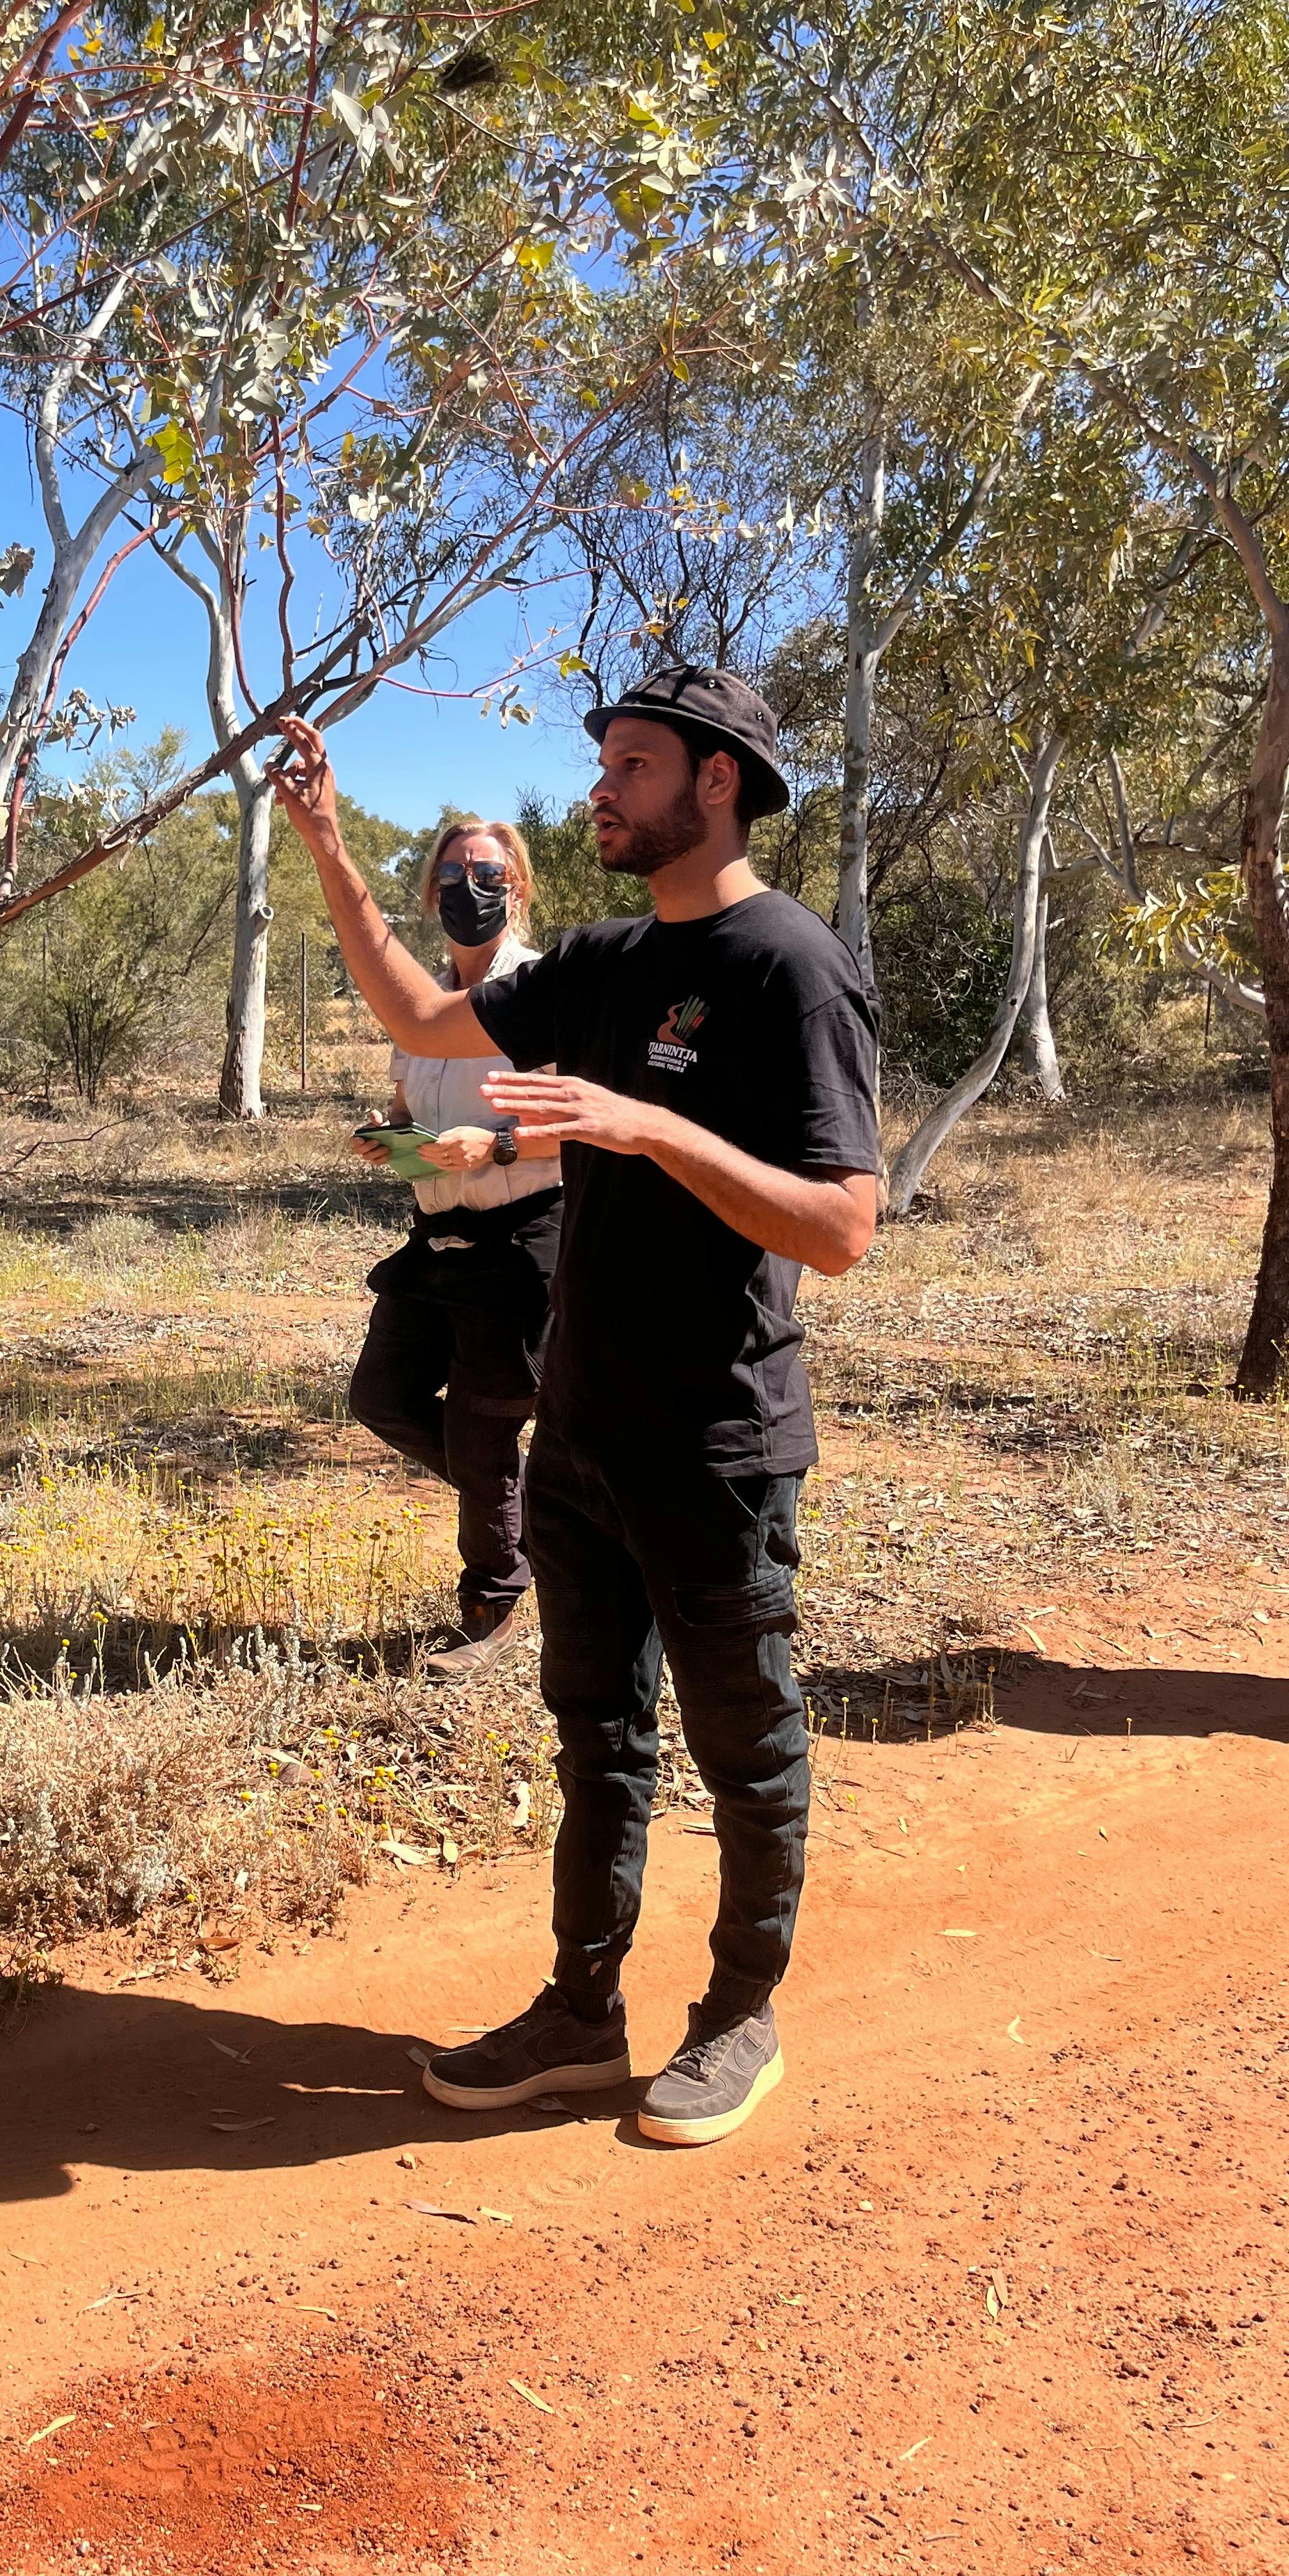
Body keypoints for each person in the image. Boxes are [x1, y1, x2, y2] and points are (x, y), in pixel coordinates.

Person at [269, 666, 879, 2146]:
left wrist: (643, 1124)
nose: (600, 787)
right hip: (585, 1427)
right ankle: (578, 2010)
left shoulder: (788, 966)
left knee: (746, 1741)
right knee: (594, 1730)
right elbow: (421, 1007)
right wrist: (331, 847)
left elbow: (843, 1224)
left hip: (717, 1438)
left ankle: (740, 2012)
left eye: (633, 763)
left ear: (715, 783)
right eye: (601, 760)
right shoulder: (601, 962)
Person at [347, 817, 562, 1687]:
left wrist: (498, 1146)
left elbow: (589, 1128)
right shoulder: (419, 1001)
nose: (467, 887)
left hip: (520, 1239)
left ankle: (495, 1597)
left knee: (481, 1429)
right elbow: (412, 1108)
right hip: (435, 1239)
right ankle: (537, 1516)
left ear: (517, 886)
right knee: (382, 1396)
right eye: (450, 871)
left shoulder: (547, 991)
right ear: (430, 888)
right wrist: (390, 1136)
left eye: (487, 871)